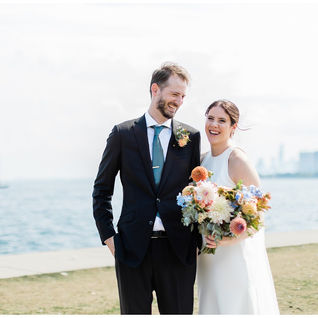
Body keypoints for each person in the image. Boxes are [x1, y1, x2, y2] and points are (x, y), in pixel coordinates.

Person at [92, 62, 201, 314]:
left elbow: (196, 192)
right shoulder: (122, 134)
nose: (179, 101)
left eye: (183, 96)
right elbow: (102, 190)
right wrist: (109, 238)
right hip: (131, 250)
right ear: (155, 89)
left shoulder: (190, 137)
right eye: (174, 94)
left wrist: (195, 241)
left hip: (178, 251)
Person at [197, 100, 280, 314]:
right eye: (210, 118)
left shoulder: (237, 159)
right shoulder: (202, 161)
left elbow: (259, 214)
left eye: (222, 120)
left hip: (233, 254)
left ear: (233, 127)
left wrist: (229, 239)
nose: (214, 125)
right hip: (208, 255)